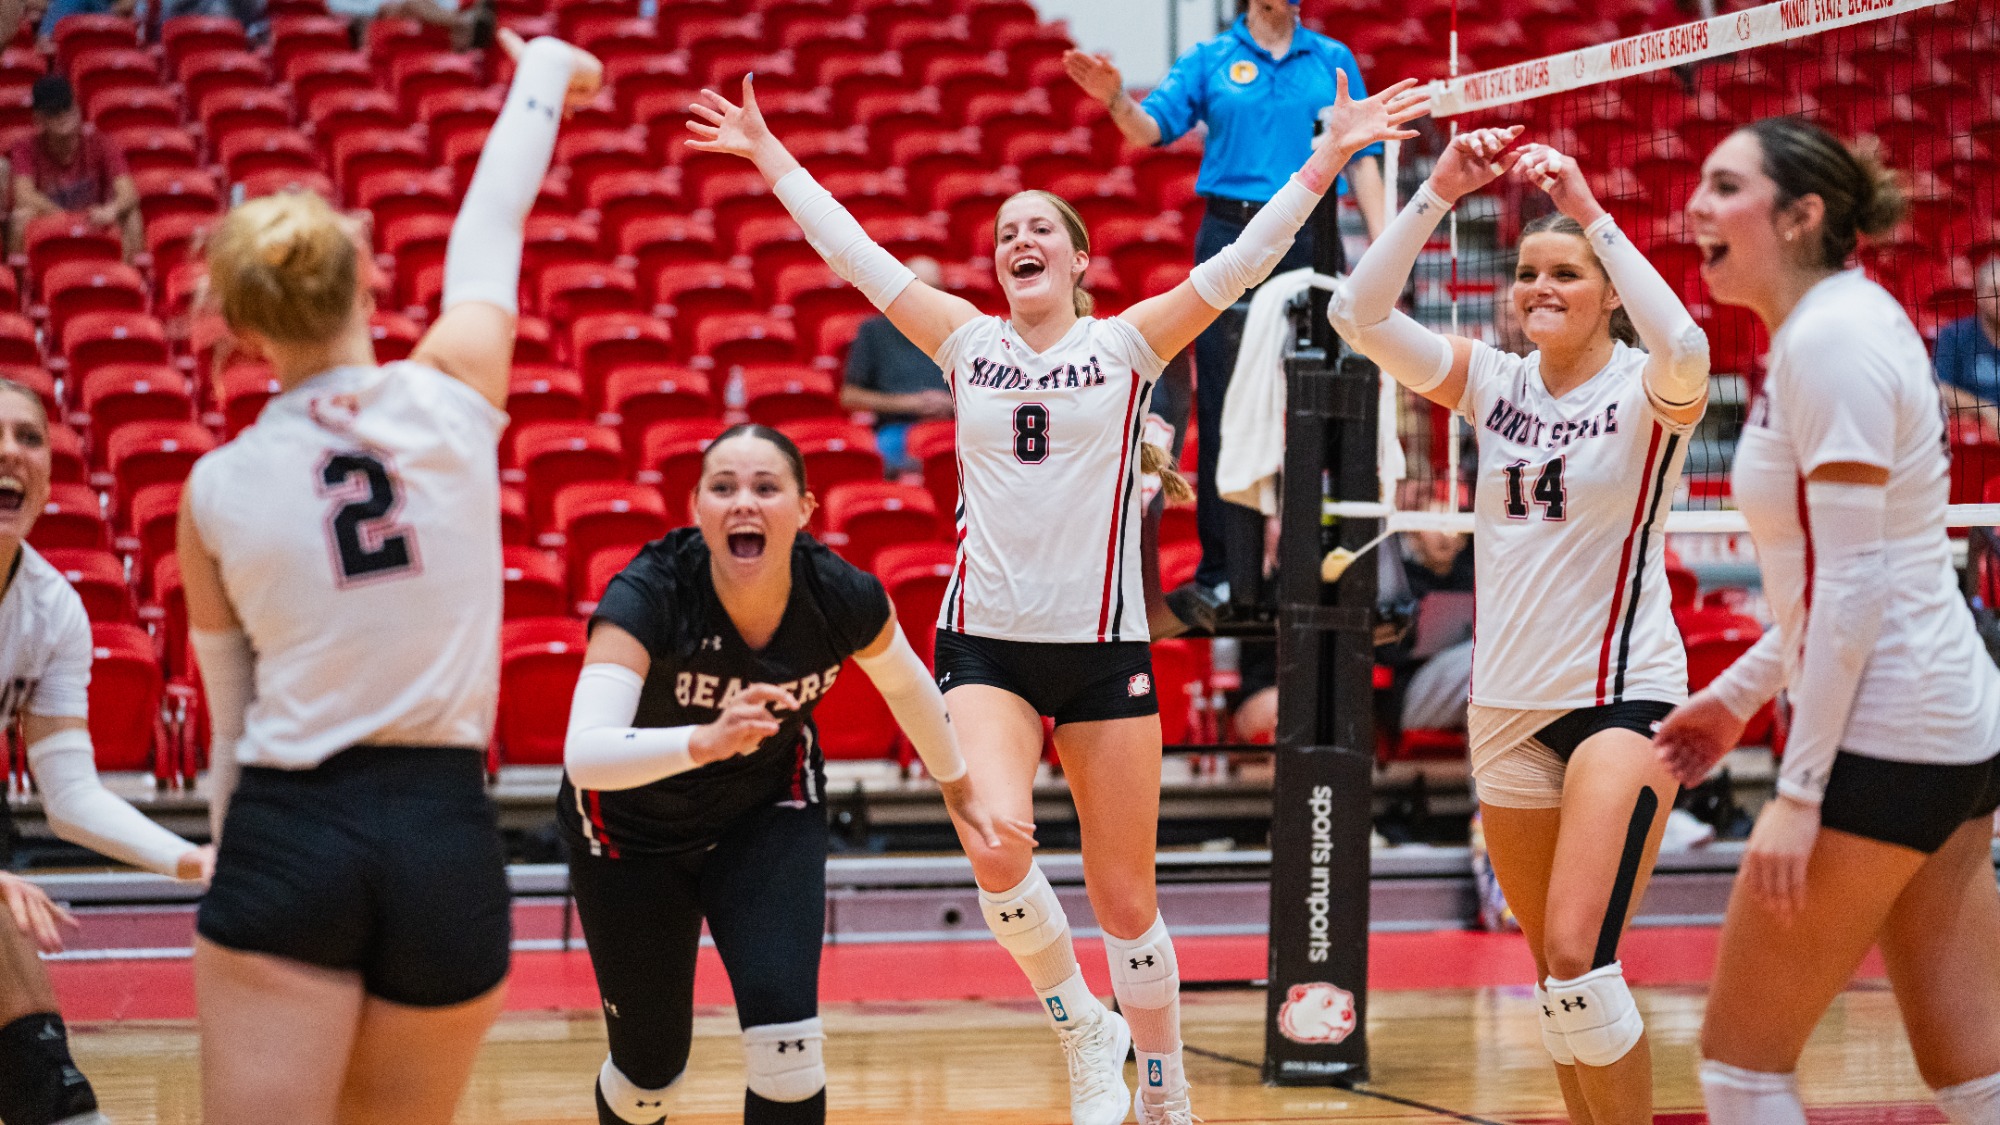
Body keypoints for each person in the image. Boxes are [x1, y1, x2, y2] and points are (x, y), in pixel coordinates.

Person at [687, 69, 1426, 1125]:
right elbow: (852, 253)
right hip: (981, 639)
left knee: (1126, 902)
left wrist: (1323, 159)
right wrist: (771, 158)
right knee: (995, 847)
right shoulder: (964, 343)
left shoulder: (1127, 347)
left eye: (1039, 228)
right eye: (1003, 232)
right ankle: (1084, 1026)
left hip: (1100, 651)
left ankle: (1163, 1085)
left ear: (1078, 259)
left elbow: (1246, 258)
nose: (1017, 239)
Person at [177, 31, 598, 1125]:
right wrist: (545, 73)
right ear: (367, 277)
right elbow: (490, 224)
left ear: (240, 325)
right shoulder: (452, 395)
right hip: (441, 832)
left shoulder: (214, 487)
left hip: (290, 824)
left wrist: (243, 860)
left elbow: (230, 728)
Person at [1329, 127, 1711, 1125]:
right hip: (1504, 709)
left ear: (1606, 291)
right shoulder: (1493, 383)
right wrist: (1437, 193)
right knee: (1553, 978)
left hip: (1621, 697)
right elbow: (1354, 312)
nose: (1539, 288)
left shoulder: (1644, 389)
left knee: (1581, 958)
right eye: (1528, 273)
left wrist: (1590, 211)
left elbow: (1685, 347)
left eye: (1566, 274)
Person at [1655, 117, 2000, 1125]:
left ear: (1800, 215)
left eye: (1725, 187)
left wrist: (1798, 791)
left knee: (1739, 1067)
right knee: (1974, 1074)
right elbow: (1858, 578)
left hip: (1882, 736)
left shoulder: (1833, 340)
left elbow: (1854, 586)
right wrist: (1733, 695)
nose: (1696, 208)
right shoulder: (1826, 330)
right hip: (1943, 728)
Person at [561, 424, 1024, 1125]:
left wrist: (959, 784)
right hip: (626, 830)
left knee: (789, 1052)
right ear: (697, 508)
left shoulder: (838, 593)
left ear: (804, 509)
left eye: (765, 487)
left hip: (764, 807)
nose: (744, 502)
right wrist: (704, 741)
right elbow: (586, 752)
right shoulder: (649, 592)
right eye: (724, 488)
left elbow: (908, 687)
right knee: (649, 1074)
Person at [1064, 0, 1389, 625]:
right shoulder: (1211, 60)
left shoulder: (1332, 59)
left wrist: (1386, 253)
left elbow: (1365, 157)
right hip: (1232, 239)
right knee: (1221, 405)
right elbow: (1147, 129)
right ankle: (1225, 576)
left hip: (1313, 236)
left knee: (1320, 402)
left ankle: (1319, 562)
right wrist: (1114, 99)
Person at [0, 376, 213, 1125]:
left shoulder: (52, 608)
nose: (11, 453)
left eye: (29, 438)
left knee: (45, 1084)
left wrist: (191, 859)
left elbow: (71, 796)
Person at [838, 256, 953, 474]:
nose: (929, 296)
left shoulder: (961, 332)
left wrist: (953, 403)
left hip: (954, 428)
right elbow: (850, 396)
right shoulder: (874, 332)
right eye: (919, 288)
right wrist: (912, 403)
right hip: (898, 429)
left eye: (935, 288)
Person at [10, 76, 139, 259]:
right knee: (20, 218)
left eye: (67, 108)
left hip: (94, 223)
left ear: (77, 109)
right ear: (38, 119)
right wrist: (63, 217)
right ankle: (23, 286)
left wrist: (111, 210)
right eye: (54, 112)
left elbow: (129, 193)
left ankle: (128, 282)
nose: (63, 117)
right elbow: (24, 195)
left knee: (131, 215)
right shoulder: (25, 148)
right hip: (51, 225)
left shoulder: (101, 143)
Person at [1934, 255, 2000, 416]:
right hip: (1974, 428)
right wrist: (1985, 411)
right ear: (1978, 296)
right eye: (1994, 292)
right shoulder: (1953, 335)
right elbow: (1941, 388)